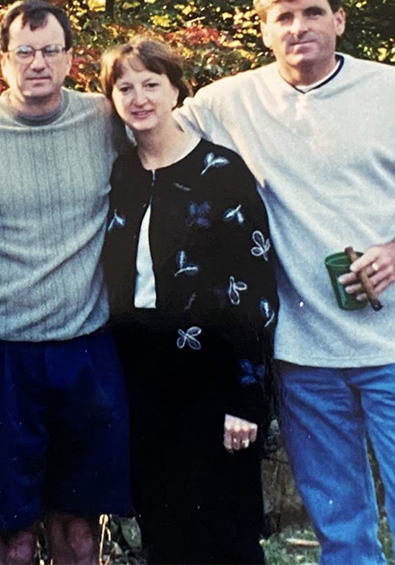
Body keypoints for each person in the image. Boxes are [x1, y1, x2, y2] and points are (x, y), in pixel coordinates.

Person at [173, 0, 395, 565]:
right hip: (305, 353)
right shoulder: (229, 102)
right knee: (343, 537)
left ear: (339, 20)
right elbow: (146, 125)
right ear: (264, 31)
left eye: (313, 13)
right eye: (282, 17)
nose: (298, 27)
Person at [0, 0, 132, 565]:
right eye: (23, 52)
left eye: (50, 50)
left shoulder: (107, 119)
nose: (37, 63)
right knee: (10, 532)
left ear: (71, 58)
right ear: (2, 61)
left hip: (85, 347)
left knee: (77, 526)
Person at [100, 37, 277, 565]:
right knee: (163, 528)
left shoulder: (222, 172)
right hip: (140, 376)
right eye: (124, 87)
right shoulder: (121, 174)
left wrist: (245, 400)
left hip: (214, 378)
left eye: (151, 84)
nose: (139, 97)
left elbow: (256, 292)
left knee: (226, 533)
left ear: (177, 89)